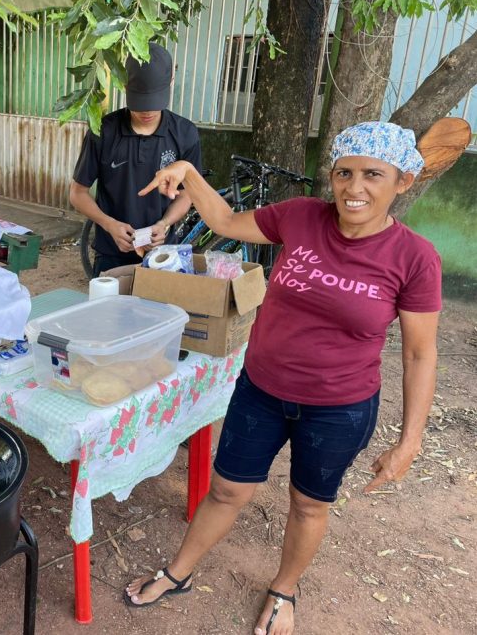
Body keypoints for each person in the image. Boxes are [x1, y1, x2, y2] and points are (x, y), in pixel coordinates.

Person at [125, 121, 441, 635]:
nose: (353, 188)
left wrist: (410, 441)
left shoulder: (414, 257)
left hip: (339, 408)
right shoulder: (300, 217)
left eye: (372, 176)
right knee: (226, 490)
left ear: (401, 182)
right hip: (262, 391)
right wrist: (188, 174)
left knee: (309, 504)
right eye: (344, 173)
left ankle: (283, 589)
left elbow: (420, 353)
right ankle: (178, 573)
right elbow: (225, 219)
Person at [69, 42, 202, 276]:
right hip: (111, 256)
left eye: (154, 101)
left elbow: (187, 194)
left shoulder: (185, 134)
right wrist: (109, 225)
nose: (147, 112)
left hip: (163, 256)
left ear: (170, 81)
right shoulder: (103, 131)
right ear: (124, 85)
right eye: (140, 102)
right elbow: (77, 193)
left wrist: (165, 224)